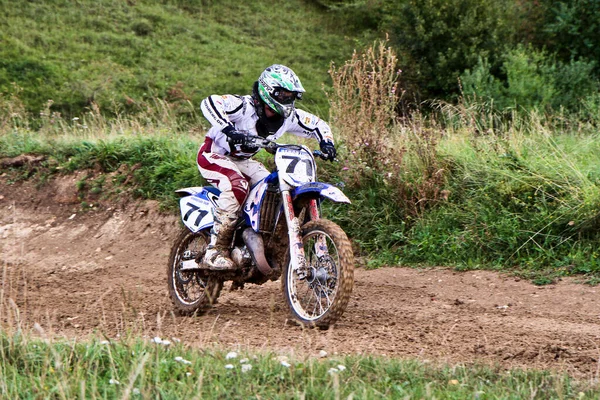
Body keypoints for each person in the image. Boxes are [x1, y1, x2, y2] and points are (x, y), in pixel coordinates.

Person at [198, 64, 337, 270]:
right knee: (238, 186)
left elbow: (317, 124)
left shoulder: (287, 117)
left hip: (243, 161)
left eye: (291, 95)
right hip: (214, 154)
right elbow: (210, 102)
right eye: (283, 94)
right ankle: (215, 250)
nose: (287, 99)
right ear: (268, 90)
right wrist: (228, 128)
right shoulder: (243, 107)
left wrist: (327, 142)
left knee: (269, 189)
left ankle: (253, 236)